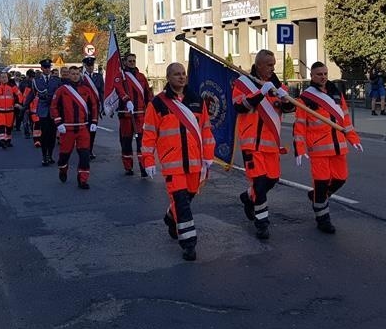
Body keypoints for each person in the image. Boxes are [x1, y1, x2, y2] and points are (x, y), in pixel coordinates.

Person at [141, 63, 215, 261]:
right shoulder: (158, 103)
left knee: (187, 198)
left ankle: (169, 217)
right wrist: (147, 160)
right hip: (172, 164)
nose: (181, 77)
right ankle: (189, 244)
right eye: (176, 74)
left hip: (195, 164)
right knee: (182, 203)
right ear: (168, 77)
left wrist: (208, 155)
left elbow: (206, 130)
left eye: (183, 74)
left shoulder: (197, 101)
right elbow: (149, 134)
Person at [293, 62, 363, 234]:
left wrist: (353, 138)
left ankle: (317, 197)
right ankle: (322, 218)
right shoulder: (306, 99)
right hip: (318, 149)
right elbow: (300, 126)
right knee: (321, 183)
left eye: (325, 73)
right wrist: (300, 149)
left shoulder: (336, 94)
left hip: (339, 146)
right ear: (312, 76)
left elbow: (345, 120)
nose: (323, 77)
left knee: (340, 179)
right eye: (319, 74)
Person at [232, 50, 294, 240]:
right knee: (259, 184)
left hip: (271, 145)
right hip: (251, 144)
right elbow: (239, 106)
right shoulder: (243, 83)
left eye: (273, 64)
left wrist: (286, 100)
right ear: (258, 65)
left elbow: (289, 109)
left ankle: (247, 197)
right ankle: (262, 223)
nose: (272, 68)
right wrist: (260, 93)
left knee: (272, 180)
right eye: (269, 64)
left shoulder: (278, 85)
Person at [50, 66, 99, 189]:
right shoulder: (62, 90)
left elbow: (93, 105)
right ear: (68, 75)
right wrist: (59, 123)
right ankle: (63, 169)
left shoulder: (86, 90)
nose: (75, 76)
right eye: (73, 74)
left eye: (77, 73)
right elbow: (54, 107)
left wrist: (94, 121)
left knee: (84, 156)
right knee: (64, 156)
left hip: (83, 128)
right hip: (67, 129)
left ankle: (82, 180)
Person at [113, 53, 153, 176]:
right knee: (126, 142)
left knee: (141, 142)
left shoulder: (141, 76)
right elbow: (119, 89)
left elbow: (147, 93)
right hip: (126, 114)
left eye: (133, 61)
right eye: (129, 61)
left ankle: (143, 167)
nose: (132, 63)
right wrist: (126, 100)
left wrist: (150, 108)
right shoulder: (120, 76)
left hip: (140, 114)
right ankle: (128, 166)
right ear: (124, 62)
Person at [24, 59, 61, 165]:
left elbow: (61, 95)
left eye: (49, 67)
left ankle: (50, 154)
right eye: (45, 67)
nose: (47, 69)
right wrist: (25, 106)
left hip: (54, 110)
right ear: (41, 68)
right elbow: (32, 94)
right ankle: (44, 156)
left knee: (52, 134)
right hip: (43, 109)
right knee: (44, 134)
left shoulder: (56, 80)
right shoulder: (36, 80)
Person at [0, 72, 23, 148]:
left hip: (10, 110)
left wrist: (18, 103)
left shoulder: (12, 86)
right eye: (2, 77)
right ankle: (2, 140)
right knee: (1, 125)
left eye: (5, 77)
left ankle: (8, 140)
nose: (4, 79)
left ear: (8, 78)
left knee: (9, 127)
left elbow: (19, 95)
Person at [81, 56, 104, 159]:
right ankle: (85, 149)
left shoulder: (98, 77)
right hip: (84, 107)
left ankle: (90, 149)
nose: (90, 67)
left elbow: (102, 92)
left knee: (93, 129)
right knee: (85, 130)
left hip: (95, 107)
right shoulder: (81, 77)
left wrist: (103, 105)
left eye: (91, 65)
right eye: (88, 65)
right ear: (85, 66)